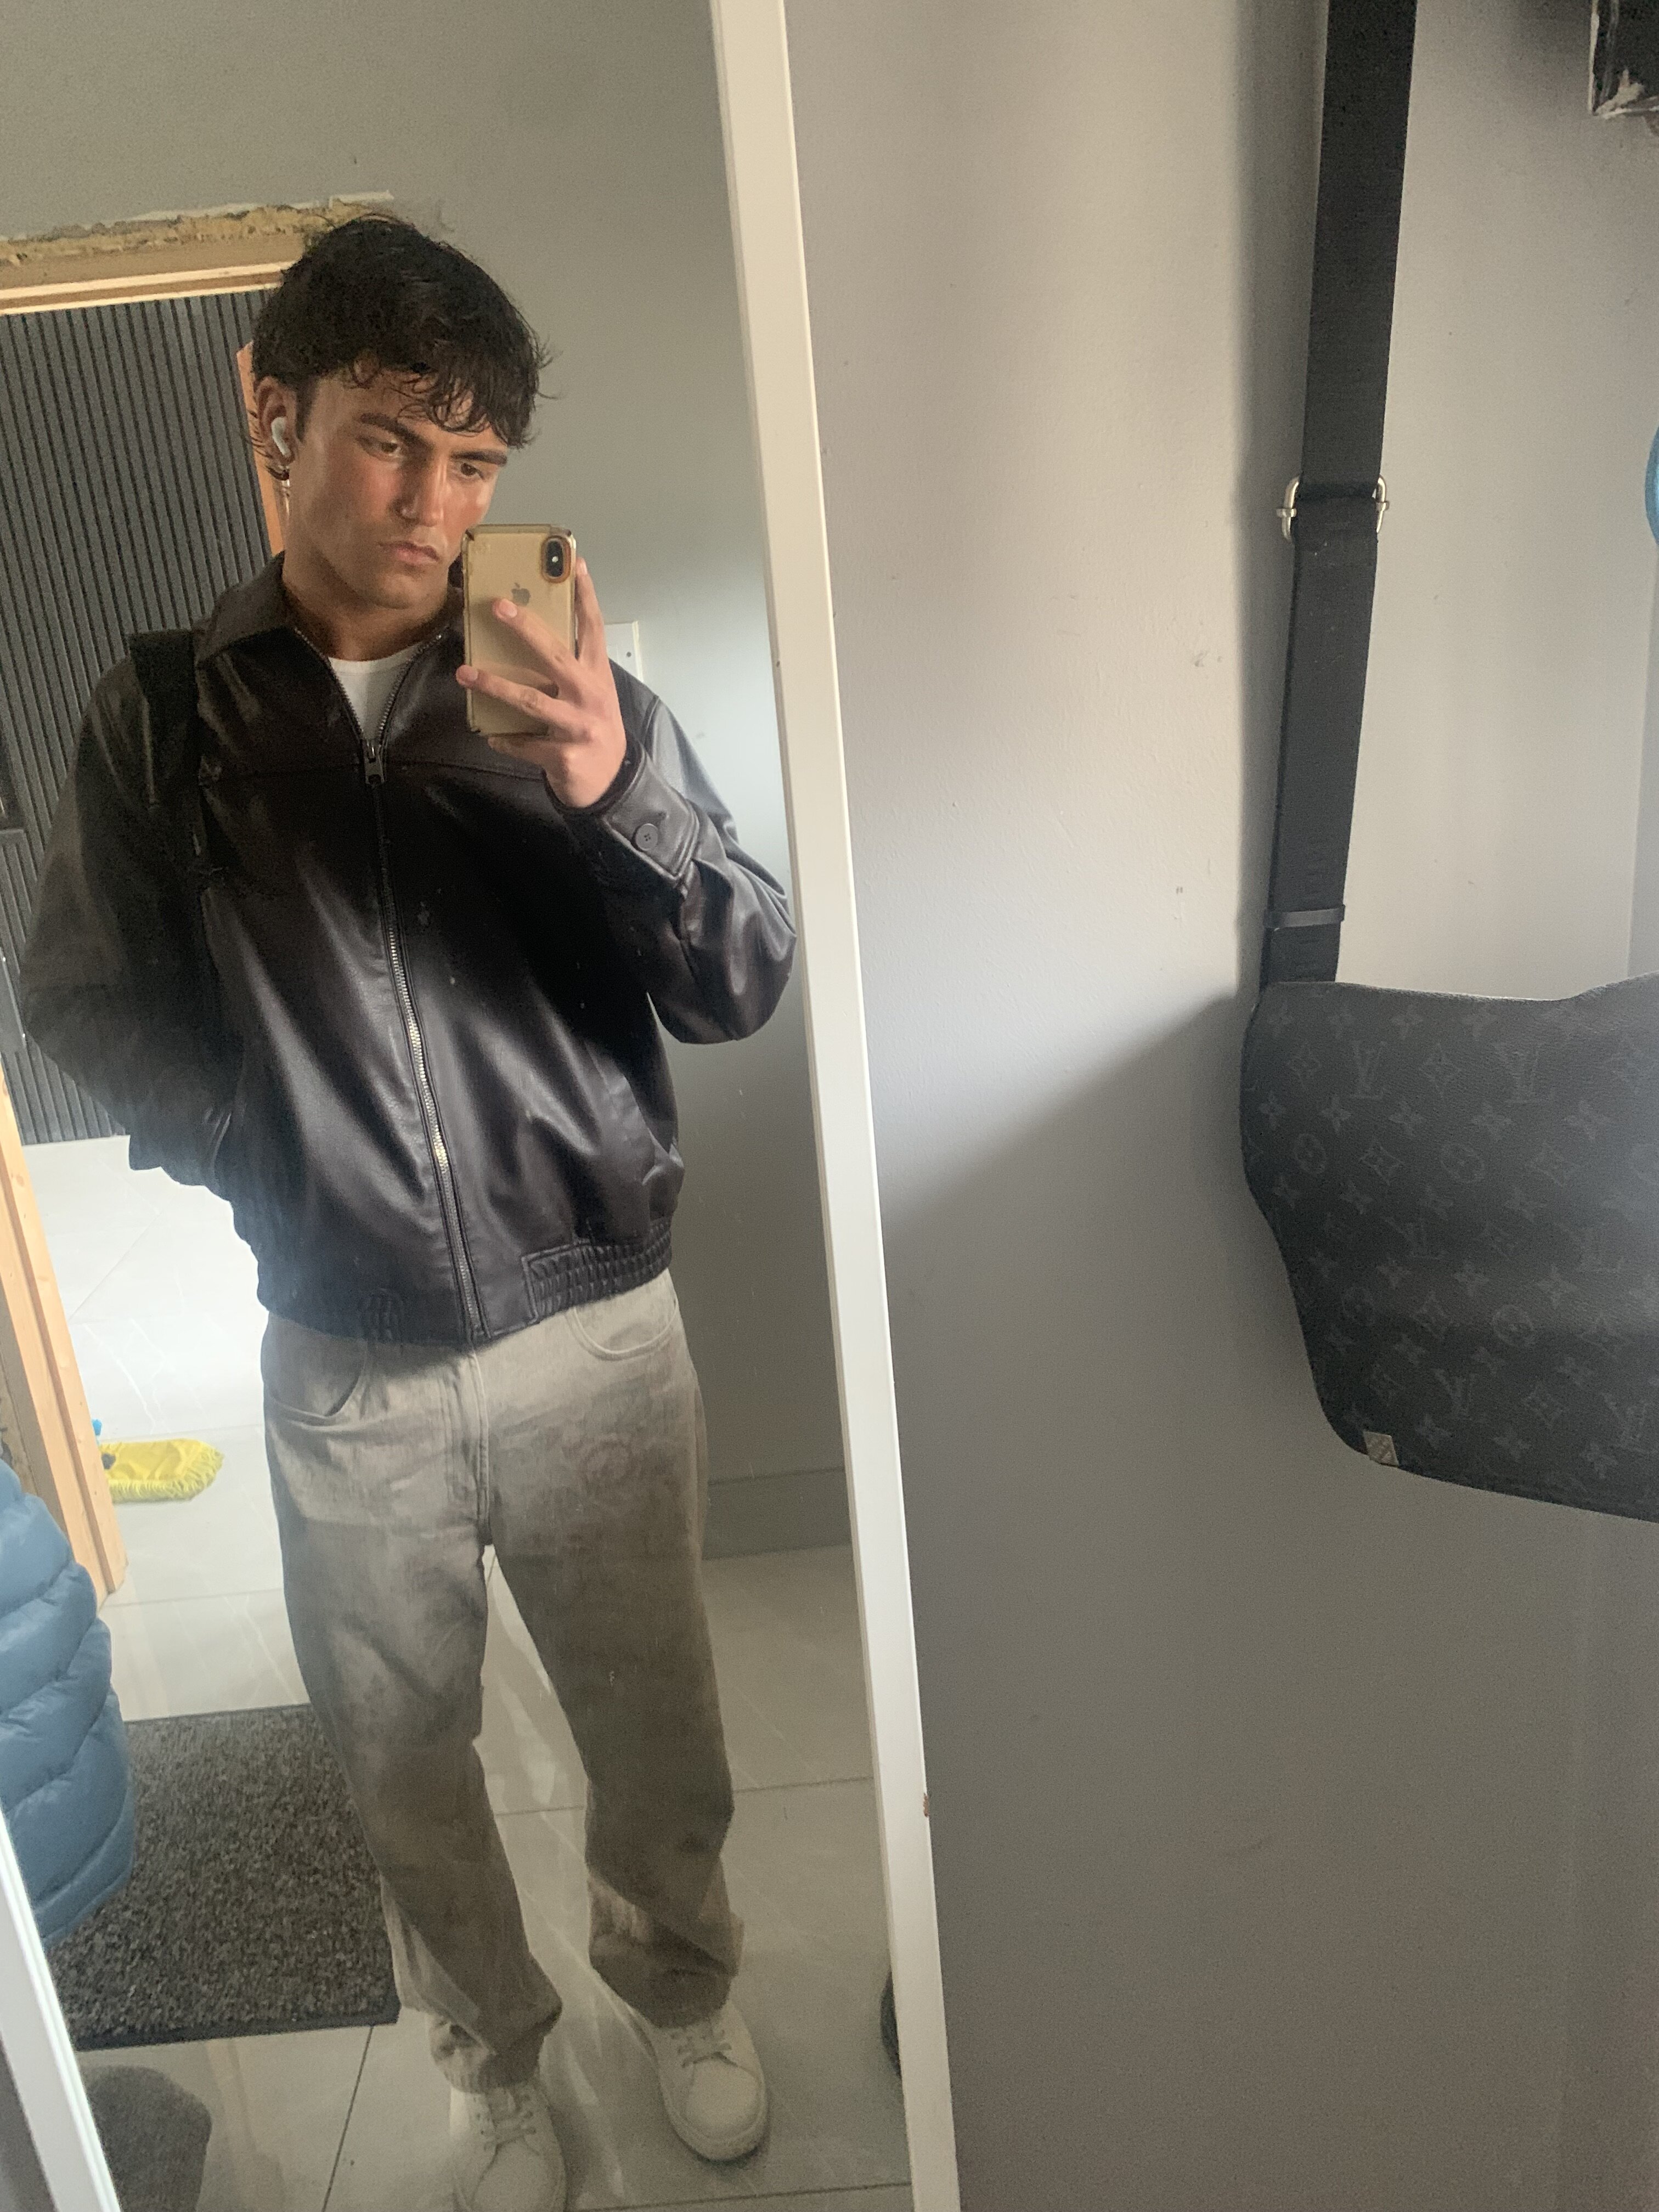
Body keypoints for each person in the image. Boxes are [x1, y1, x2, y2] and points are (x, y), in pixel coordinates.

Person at [20, 214, 796, 2212]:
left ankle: (683, 1991)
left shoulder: (570, 685)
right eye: (391, 442)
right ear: (279, 417)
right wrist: (262, 1146)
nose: (438, 507)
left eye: (475, 464)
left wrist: (614, 785)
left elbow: (741, 977)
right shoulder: (166, 712)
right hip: (344, 1355)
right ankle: (492, 2062)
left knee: (656, 1731)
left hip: (599, 1331)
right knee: (398, 1754)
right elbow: (83, 996)